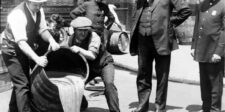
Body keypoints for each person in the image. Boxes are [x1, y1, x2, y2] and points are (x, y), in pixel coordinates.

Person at [129, 0, 192, 112]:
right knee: (142, 74)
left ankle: (160, 107)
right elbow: (135, 15)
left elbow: (186, 11)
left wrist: (170, 22)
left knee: (162, 76)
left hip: (162, 40)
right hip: (142, 40)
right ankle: (142, 105)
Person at [0, 0, 60, 112]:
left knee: (21, 82)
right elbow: (21, 42)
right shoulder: (18, 14)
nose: (38, 7)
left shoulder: (39, 10)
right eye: (35, 4)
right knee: (22, 84)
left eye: (41, 4)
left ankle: (12, 109)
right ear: (27, 2)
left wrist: (51, 40)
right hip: (11, 48)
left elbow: (42, 30)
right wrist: (37, 58)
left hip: (24, 46)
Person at [70, 1, 121, 112]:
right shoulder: (87, 5)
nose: (82, 33)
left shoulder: (94, 36)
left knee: (109, 85)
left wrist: (105, 30)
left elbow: (92, 55)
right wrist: (82, 21)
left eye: (84, 30)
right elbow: (73, 14)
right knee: (75, 85)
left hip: (104, 63)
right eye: (80, 30)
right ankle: (82, 104)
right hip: (90, 66)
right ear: (75, 29)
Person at [191, 0, 225, 111]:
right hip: (202, 49)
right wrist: (193, 46)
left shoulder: (223, 5)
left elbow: (224, 31)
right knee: (204, 83)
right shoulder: (202, 5)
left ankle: (215, 109)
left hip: (215, 51)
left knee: (215, 85)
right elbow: (197, 26)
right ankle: (206, 108)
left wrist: (219, 52)